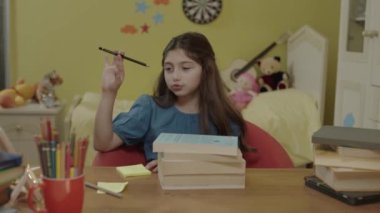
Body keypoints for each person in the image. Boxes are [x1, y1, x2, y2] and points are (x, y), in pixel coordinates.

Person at [94, 32, 249, 172]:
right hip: (160, 197)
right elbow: (103, 143)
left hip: (211, 198)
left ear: (206, 70)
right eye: (169, 69)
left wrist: (177, 167)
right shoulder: (149, 108)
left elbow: (232, 166)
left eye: (185, 68)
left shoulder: (223, 115)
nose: (175, 76)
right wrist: (109, 92)